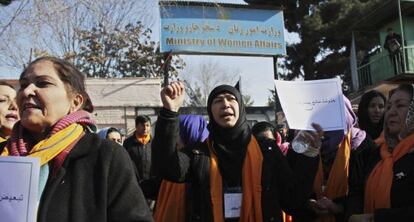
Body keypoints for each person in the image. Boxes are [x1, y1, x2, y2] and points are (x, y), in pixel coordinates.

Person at [0, 57, 152, 222]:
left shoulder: (106, 156)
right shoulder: (4, 155)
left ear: (75, 102)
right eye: (23, 84)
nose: (27, 91)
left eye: (43, 83)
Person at [153, 82, 322, 222]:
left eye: (231, 99)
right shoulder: (199, 153)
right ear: (210, 112)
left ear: (240, 107)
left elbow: (292, 200)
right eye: (218, 101)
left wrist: (309, 155)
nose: (225, 104)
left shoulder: (267, 151)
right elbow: (168, 168)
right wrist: (169, 112)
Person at [292, 96, 374, 222]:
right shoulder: (302, 145)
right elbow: (291, 191)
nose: (326, 125)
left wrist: (340, 207)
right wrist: (308, 203)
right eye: (320, 116)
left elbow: (367, 192)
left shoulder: (363, 146)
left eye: (332, 116)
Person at [347, 84, 414, 222]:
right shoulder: (378, 152)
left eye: (400, 106)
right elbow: (359, 191)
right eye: (389, 107)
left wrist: (376, 218)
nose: (391, 112)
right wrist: (345, 210)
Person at [154, 114, 209, 222]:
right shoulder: (174, 165)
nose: (174, 138)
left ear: (190, 132)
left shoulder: (203, 166)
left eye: (178, 132)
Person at [124, 115, 159, 202]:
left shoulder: (155, 143)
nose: (145, 128)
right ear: (136, 126)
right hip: (134, 187)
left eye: (147, 125)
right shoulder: (128, 143)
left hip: (153, 188)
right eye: (142, 125)